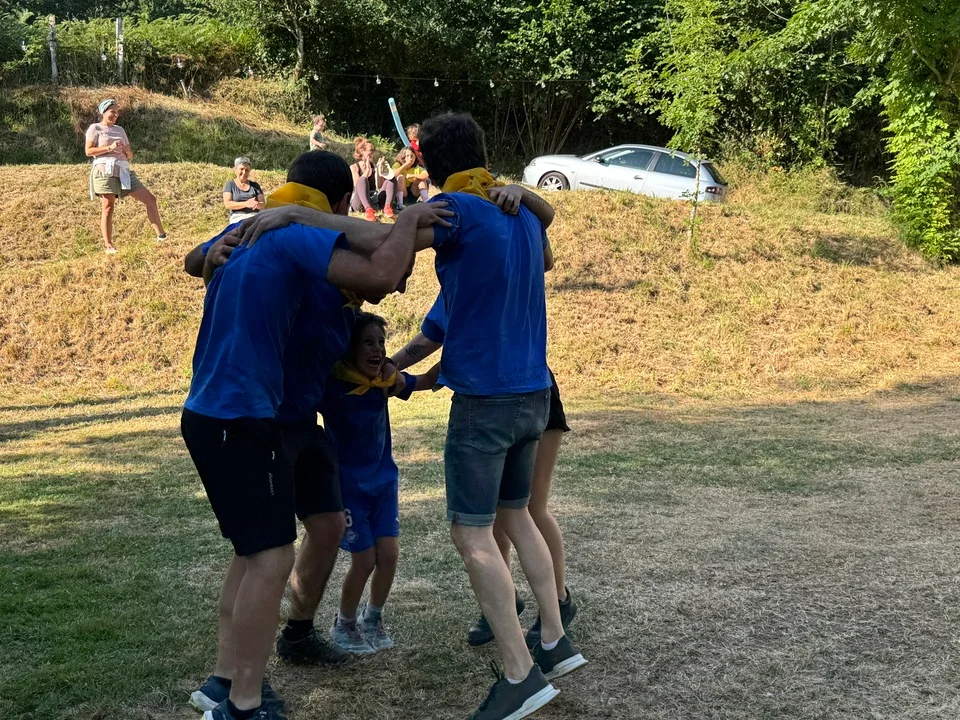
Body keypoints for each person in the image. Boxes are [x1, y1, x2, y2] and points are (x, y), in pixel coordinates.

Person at [179, 149, 452, 720]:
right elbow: (382, 268)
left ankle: (264, 659)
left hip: (283, 419)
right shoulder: (290, 237)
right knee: (265, 557)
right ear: (337, 203)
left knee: (306, 534)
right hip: (249, 419)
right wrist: (407, 219)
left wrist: (208, 253)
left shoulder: (270, 231)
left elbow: (198, 258)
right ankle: (237, 696)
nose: (402, 287)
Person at [418, 112, 586, 720]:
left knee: (472, 533)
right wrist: (531, 199)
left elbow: (387, 246)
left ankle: (519, 674)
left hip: (484, 402)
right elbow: (546, 248)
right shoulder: (518, 214)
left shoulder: (455, 209)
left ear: (430, 161)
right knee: (516, 515)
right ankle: (554, 639)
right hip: (534, 394)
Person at [390, 298, 577, 650]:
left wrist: (392, 367)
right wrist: (394, 370)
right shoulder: (477, 281)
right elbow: (439, 338)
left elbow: (432, 338)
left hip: (526, 391)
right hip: (505, 393)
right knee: (493, 518)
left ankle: (558, 602)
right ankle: (504, 602)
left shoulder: (478, 276)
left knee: (529, 510)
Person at [322, 313, 439, 654]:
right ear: (348, 348)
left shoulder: (386, 383)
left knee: (388, 555)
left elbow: (426, 380)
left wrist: (462, 352)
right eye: (367, 343)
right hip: (349, 488)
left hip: (384, 481)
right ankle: (344, 625)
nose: (377, 350)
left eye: (381, 343)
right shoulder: (332, 385)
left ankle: (372, 618)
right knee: (364, 560)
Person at [85, 98, 166, 254]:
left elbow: (129, 154)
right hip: (104, 170)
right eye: (112, 112)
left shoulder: (120, 130)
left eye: (117, 112)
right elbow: (89, 151)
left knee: (150, 199)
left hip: (123, 170)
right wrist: (109, 147)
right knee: (108, 207)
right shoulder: (95, 128)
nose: (115, 115)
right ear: (103, 112)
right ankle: (109, 246)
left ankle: (161, 236)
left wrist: (127, 152)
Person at [350, 137, 395, 221]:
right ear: (362, 151)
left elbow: (379, 185)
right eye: (371, 150)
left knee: (391, 179)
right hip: (359, 202)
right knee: (362, 180)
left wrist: (380, 170)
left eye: (374, 150)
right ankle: (368, 210)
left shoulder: (374, 166)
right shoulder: (354, 167)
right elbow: (357, 186)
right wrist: (367, 171)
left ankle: (387, 207)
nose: (373, 153)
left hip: (373, 198)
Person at [223, 157, 265, 225]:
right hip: (238, 217)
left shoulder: (255, 185)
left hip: (254, 216)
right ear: (235, 170)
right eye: (241, 169)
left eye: (247, 170)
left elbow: (262, 204)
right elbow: (228, 204)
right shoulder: (230, 184)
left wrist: (256, 204)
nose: (244, 172)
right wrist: (246, 204)